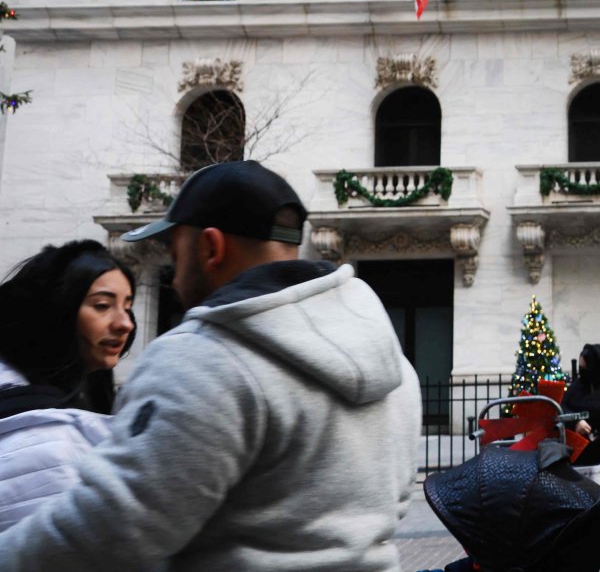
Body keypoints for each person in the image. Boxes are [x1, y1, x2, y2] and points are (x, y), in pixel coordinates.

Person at [0, 161, 422, 571]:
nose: (174, 278)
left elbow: (112, 531)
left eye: (175, 254)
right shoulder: (396, 368)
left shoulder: (200, 358)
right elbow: (395, 503)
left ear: (211, 248)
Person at [0, 241, 135, 531]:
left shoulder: (82, 394)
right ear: (58, 312)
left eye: (127, 306)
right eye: (102, 306)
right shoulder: (48, 442)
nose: (125, 323)